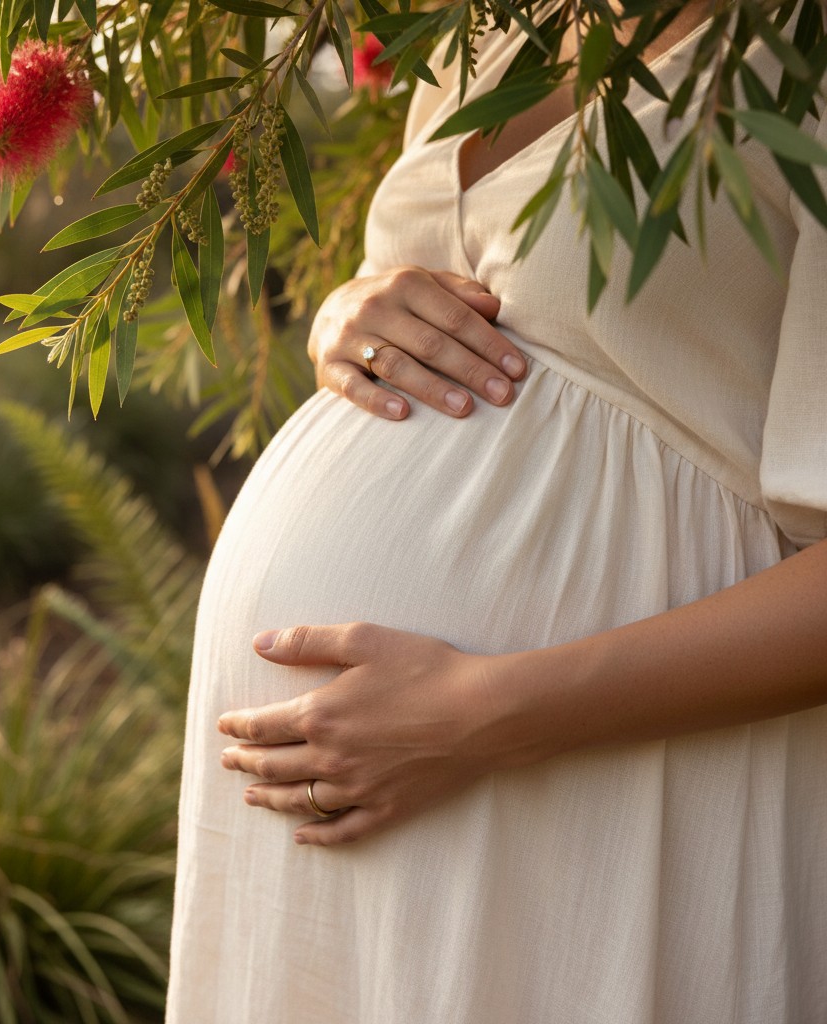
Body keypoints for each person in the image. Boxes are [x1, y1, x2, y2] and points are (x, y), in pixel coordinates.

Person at [165, 6, 827, 1023]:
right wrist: (351, 316)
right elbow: (476, 300)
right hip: (346, 802)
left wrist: (482, 716)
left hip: (597, 775)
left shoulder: (797, 52)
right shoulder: (490, 31)